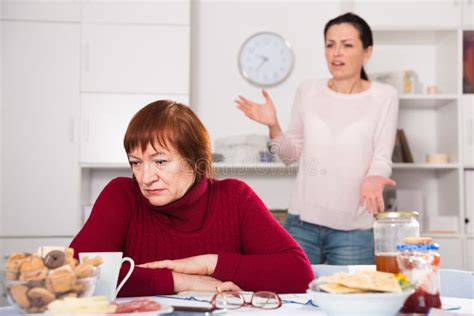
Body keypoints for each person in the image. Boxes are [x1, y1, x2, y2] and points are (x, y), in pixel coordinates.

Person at [70, 100, 314, 296]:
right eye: (136, 163)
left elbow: (299, 273)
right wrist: (183, 281)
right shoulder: (121, 195)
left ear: (195, 161)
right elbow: (77, 273)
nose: (145, 178)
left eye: (160, 162)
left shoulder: (235, 198)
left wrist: (209, 264)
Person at [235, 13, 399, 265]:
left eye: (347, 45)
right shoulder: (308, 90)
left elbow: (381, 156)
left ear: (367, 52)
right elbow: (289, 156)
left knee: (351, 302)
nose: (336, 53)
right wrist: (273, 126)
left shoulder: (384, 96)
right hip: (302, 226)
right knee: (293, 300)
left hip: (354, 232)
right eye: (330, 44)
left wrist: (375, 177)